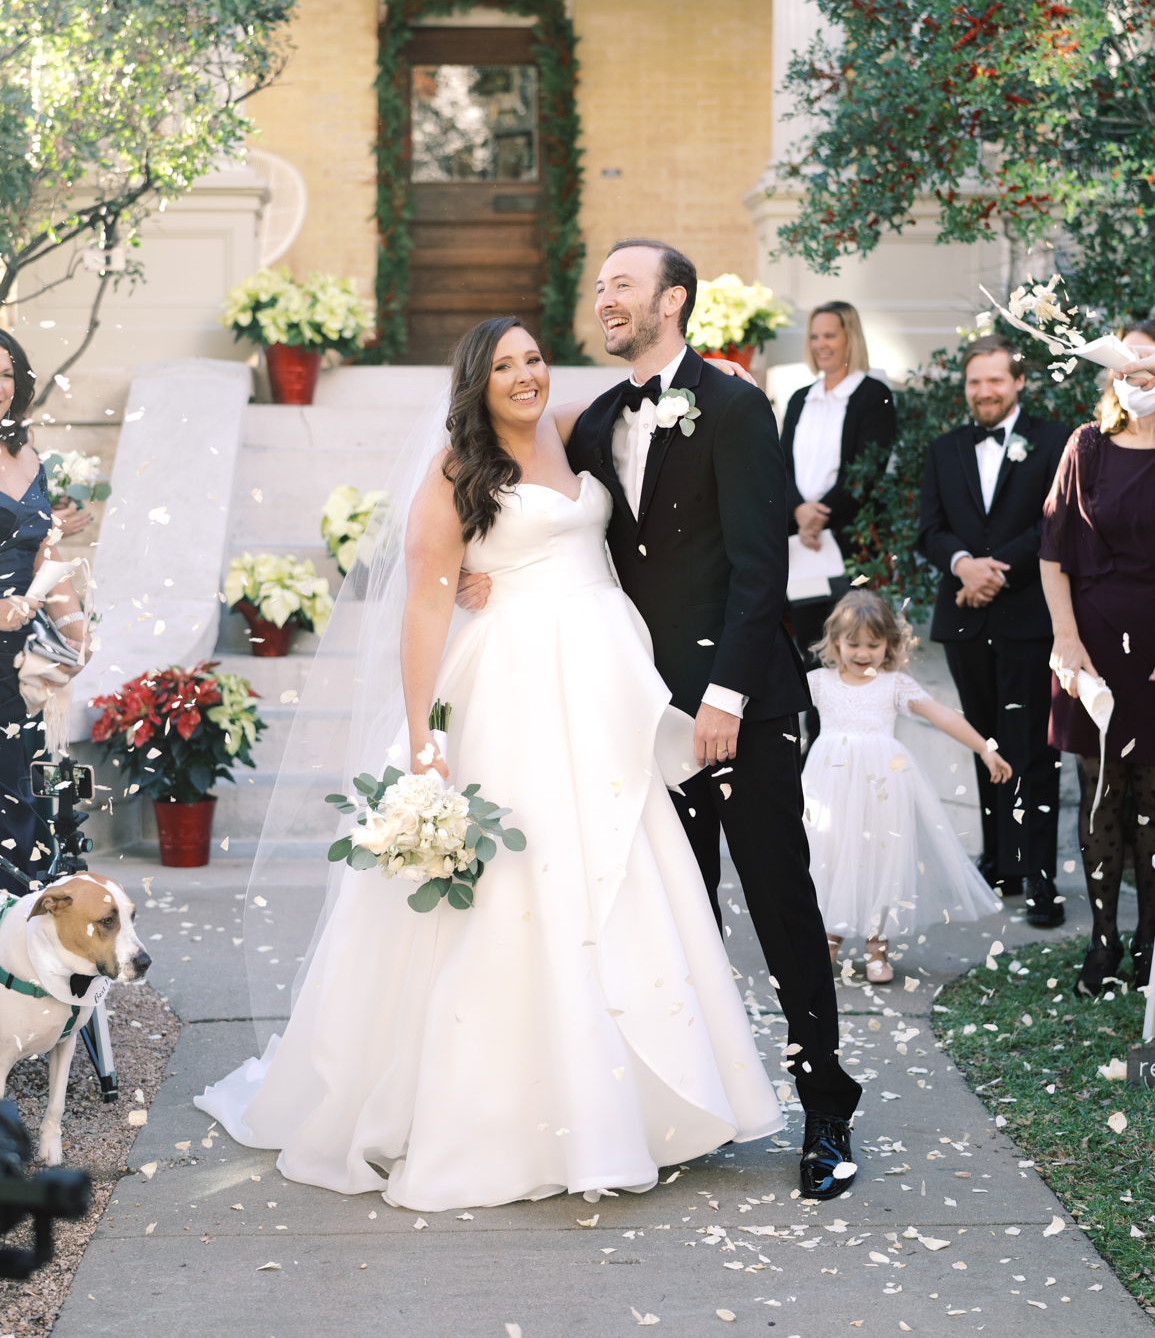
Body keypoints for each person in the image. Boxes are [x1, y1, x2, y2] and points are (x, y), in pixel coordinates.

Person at [197, 316, 782, 1210]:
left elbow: (653, 428)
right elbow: (426, 608)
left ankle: (632, 1105)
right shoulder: (456, 472)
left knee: (615, 875)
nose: (525, 375)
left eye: (534, 358)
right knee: (525, 883)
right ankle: (503, 1117)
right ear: (475, 384)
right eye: (504, 365)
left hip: (603, 689)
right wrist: (422, 738)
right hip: (513, 688)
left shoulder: (579, 425)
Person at [561, 240, 862, 1192]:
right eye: (600, 287)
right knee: (672, 915)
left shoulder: (736, 407)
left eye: (622, 286)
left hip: (744, 704)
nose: (605, 299)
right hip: (641, 717)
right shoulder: (595, 424)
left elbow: (757, 566)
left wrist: (723, 698)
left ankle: (825, 1107)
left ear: (672, 301)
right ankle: (691, 1107)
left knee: (778, 903)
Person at [916, 334, 1069, 924]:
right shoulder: (944, 448)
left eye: (995, 381)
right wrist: (962, 565)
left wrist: (994, 573)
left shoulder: (1057, 442)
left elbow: (1054, 524)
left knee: (1033, 748)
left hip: (1028, 617)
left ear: (1019, 383)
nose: (983, 392)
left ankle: (1039, 875)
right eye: (975, 382)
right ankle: (999, 860)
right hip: (963, 618)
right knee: (987, 744)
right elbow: (930, 529)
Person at [803, 590, 1009, 982]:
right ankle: (827, 938)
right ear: (835, 642)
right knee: (829, 854)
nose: (863, 653)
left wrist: (984, 747)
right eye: (853, 644)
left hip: (884, 787)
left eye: (873, 645)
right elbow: (774, 708)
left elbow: (943, 715)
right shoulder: (818, 682)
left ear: (890, 644)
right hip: (829, 785)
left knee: (881, 857)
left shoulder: (894, 684)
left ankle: (877, 947)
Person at [1040, 319, 1155, 997]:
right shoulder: (1084, 446)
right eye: (1125, 365)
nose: (1135, 376)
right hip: (1089, 643)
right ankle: (1102, 939)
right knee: (1097, 793)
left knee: (1151, 795)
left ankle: (1150, 941)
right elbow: (1052, 552)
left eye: (1147, 365)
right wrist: (1065, 639)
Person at [780, 302, 896, 741]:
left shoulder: (872, 395)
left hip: (849, 543)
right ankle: (819, 747)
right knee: (812, 646)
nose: (821, 344)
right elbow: (780, 464)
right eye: (815, 336)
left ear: (850, 337)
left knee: (856, 644)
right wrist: (797, 511)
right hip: (804, 546)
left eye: (830, 335)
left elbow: (866, 469)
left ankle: (856, 740)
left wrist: (820, 513)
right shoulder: (799, 398)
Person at [0, 332, 86, 887]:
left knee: (23, 800)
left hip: (22, 664)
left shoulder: (27, 455)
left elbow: (46, 553)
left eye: (7, 374)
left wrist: (75, 632)